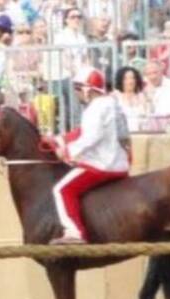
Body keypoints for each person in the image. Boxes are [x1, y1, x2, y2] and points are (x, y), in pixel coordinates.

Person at [47, 67, 130, 245]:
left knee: (61, 190)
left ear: (87, 89)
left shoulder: (95, 108)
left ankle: (74, 232)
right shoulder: (112, 103)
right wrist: (60, 139)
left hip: (103, 165)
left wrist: (66, 151)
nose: (76, 94)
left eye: (78, 89)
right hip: (121, 164)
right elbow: (85, 131)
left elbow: (91, 137)